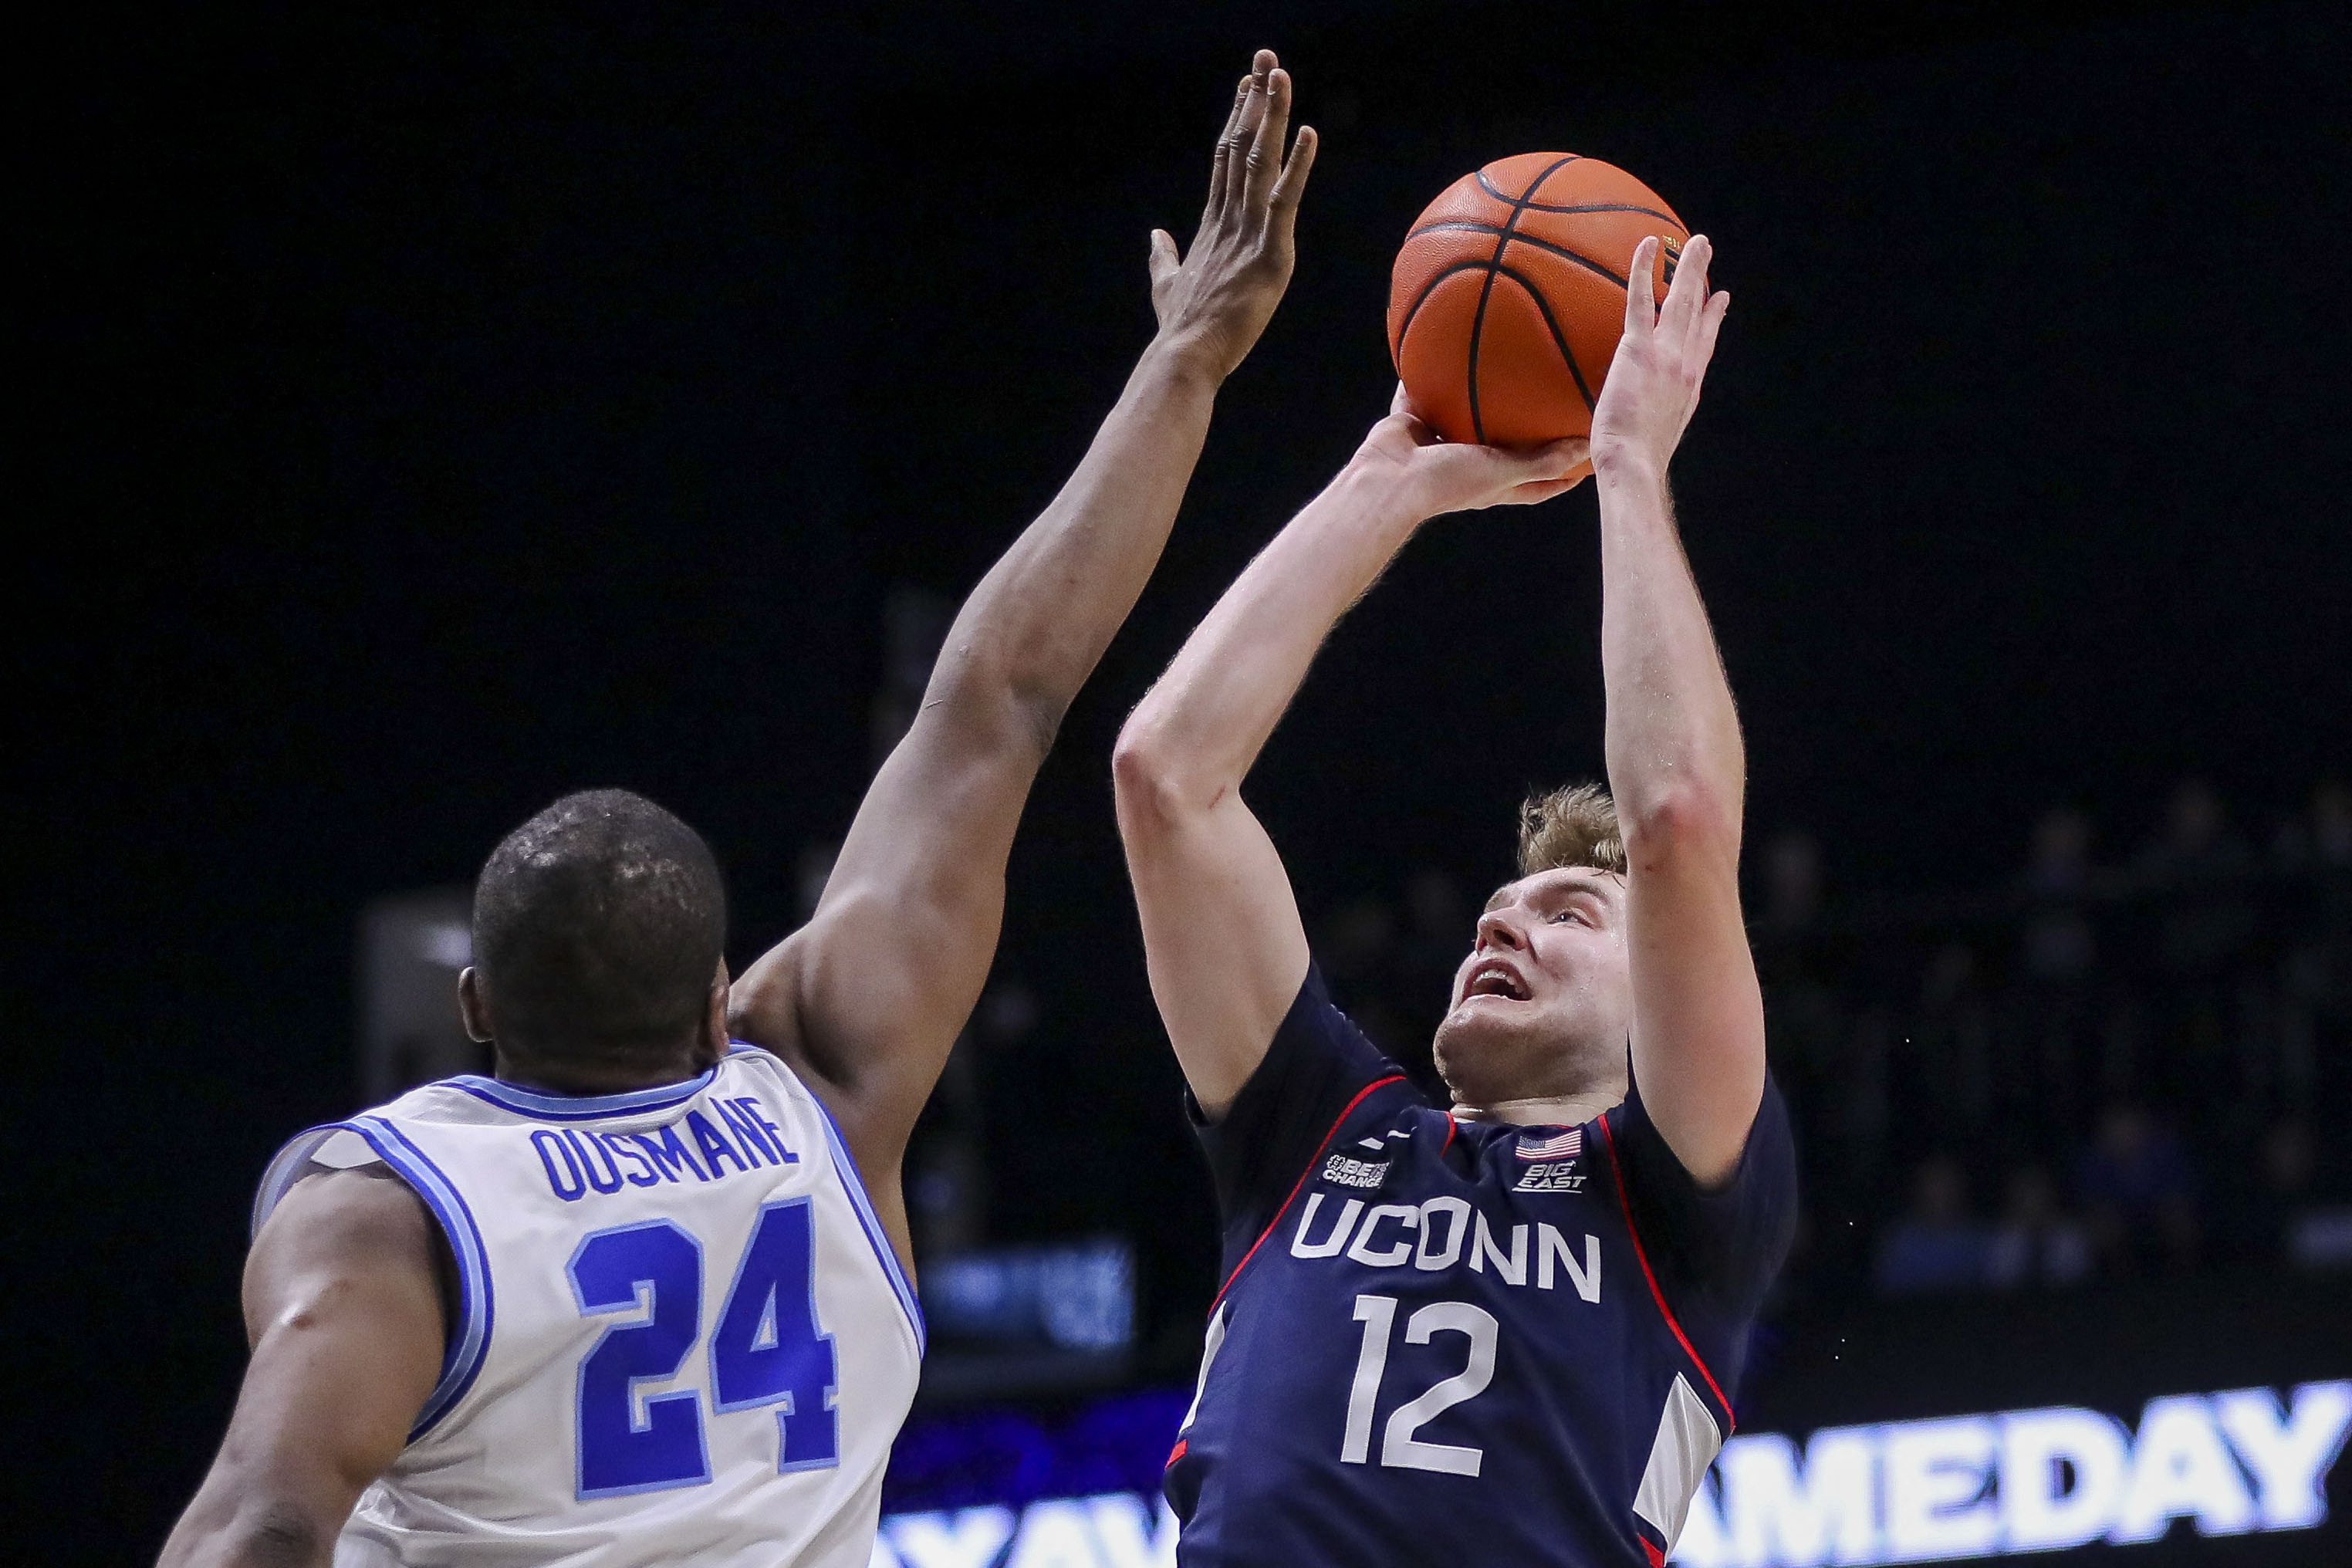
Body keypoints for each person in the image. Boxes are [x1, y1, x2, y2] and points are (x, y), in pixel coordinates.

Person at [157, 51, 1319, 1568]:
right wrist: (1187, 363)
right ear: (718, 1004)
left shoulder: (390, 1203)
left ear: (476, 1004)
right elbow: (1002, 695)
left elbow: (255, 1520)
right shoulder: (823, 1079)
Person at [1113, 234, 1796, 1566]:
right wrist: (1387, 485)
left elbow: (1677, 821)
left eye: (1568, 914)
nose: (1503, 923)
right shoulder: (1317, 1130)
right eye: (1501, 905)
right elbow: (1165, 775)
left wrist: (1630, 467)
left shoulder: (1683, 1195)